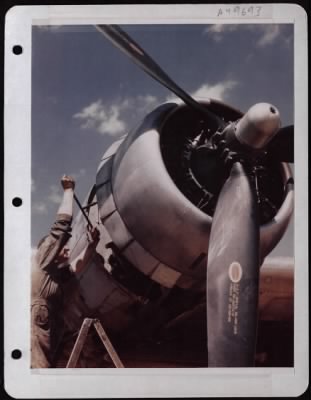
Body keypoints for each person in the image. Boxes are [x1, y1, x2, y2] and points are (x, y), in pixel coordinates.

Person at [31, 175, 100, 368]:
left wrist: (92, 244)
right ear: (48, 248)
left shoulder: (56, 277)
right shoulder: (43, 260)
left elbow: (77, 267)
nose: (67, 249)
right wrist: (69, 191)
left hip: (48, 339)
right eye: (62, 247)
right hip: (33, 342)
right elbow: (60, 228)